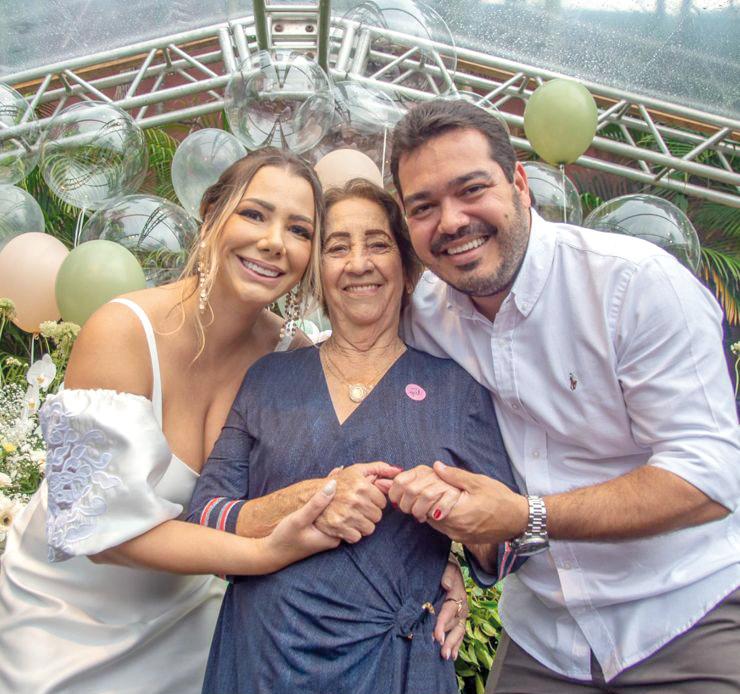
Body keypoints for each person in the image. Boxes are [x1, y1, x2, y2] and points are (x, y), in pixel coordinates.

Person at [387, 99, 740, 692]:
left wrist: (530, 518)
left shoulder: (632, 285)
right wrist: (441, 559)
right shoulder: (425, 318)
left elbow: (709, 476)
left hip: (684, 616)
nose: (450, 221)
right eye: (424, 207)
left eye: (471, 189)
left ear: (520, 184)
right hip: (543, 638)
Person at [0, 149, 367, 694]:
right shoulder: (122, 331)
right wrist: (260, 555)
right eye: (254, 214)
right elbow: (98, 532)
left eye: (299, 229)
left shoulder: (298, 359)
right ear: (210, 214)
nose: (273, 241)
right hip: (65, 618)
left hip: (197, 625)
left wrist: (440, 574)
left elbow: (362, 476)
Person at [186, 178, 525, 694]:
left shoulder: (456, 389)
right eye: (337, 247)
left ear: (408, 268)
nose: (359, 263)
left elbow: (502, 547)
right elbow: (205, 518)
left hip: (395, 665)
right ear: (317, 272)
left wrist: (456, 516)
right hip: (262, 657)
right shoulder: (270, 378)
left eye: (378, 244)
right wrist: (310, 498)